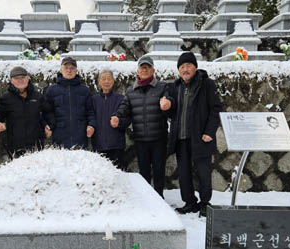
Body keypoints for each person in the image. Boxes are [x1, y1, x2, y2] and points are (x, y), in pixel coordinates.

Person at [167, 52, 222, 217]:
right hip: (181, 137)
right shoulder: (175, 87)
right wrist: (166, 107)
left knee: (203, 172)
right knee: (184, 173)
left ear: (195, 67)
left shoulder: (207, 84)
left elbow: (216, 109)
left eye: (188, 65)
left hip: (201, 137)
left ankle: (205, 203)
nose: (185, 69)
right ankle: (189, 202)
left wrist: (209, 131)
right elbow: (171, 112)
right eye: (182, 67)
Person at [111, 55, 173, 197]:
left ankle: (159, 197)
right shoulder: (130, 91)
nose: (144, 70)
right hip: (140, 139)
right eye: (142, 67)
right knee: (144, 171)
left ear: (153, 70)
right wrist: (117, 117)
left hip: (159, 137)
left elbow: (169, 106)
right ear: (137, 71)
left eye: (147, 67)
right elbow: (124, 108)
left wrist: (167, 104)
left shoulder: (162, 87)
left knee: (159, 170)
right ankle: (147, 198)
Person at [0, 66, 49, 158]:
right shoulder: (5, 98)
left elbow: (47, 112)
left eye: (23, 77)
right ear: (11, 80)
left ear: (28, 79)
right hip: (14, 143)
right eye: (16, 78)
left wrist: (48, 125)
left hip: (36, 142)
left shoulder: (38, 96)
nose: (20, 80)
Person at [44, 57, 96, 149]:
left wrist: (91, 125)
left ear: (76, 71)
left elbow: (90, 111)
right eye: (66, 68)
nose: (69, 70)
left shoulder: (84, 90)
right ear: (61, 70)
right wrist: (51, 125)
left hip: (80, 135)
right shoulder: (52, 90)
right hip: (59, 135)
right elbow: (47, 111)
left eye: (72, 68)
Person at [91, 69, 128, 169]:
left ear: (113, 81)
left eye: (109, 79)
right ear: (99, 81)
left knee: (118, 175)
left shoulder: (121, 99)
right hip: (98, 145)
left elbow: (127, 120)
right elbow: (90, 118)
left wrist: (119, 122)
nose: (106, 81)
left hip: (117, 145)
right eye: (103, 79)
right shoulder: (93, 100)